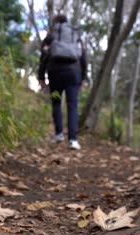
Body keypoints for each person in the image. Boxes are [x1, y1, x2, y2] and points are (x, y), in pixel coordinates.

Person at [38, 14, 87, 150]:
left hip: (55, 75)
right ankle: (73, 140)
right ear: (67, 22)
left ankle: (59, 134)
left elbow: (43, 57)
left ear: (55, 24)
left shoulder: (51, 36)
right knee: (72, 105)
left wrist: (41, 76)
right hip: (73, 74)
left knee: (56, 102)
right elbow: (83, 58)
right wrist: (83, 77)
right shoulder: (74, 35)